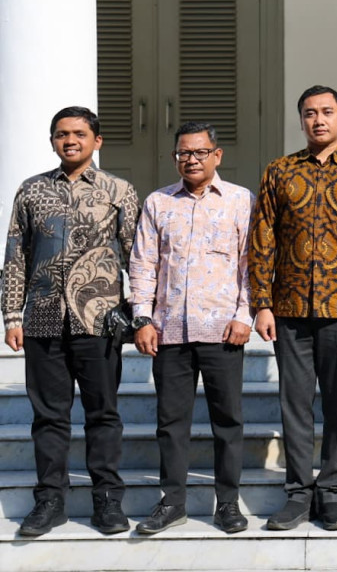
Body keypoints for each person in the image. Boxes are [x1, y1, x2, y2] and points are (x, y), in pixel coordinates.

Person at [249, 85, 337, 531]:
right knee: (294, 404)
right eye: (310, 113)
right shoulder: (279, 172)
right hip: (289, 308)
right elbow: (262, 240)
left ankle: (331, 493)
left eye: (327, 112)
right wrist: (261, 303)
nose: (319, 120)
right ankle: (296, 493)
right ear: (301, 120)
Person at [2, 106, 139, 536]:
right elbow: (15, 256)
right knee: (48, 417)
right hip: (42, 320)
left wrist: (139, 313)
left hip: (99, 322)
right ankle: (50, 502)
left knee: (103, 414)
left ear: (97, 141)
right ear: (52, 141)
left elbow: (139, 256)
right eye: (61, 134)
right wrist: (11, 314)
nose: (70, 140)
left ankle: (108, 503)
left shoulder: (120, 191)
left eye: (79, 133)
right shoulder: (31, 191)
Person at [127, 122, 254, 535]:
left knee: (228, 420)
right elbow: (143, 264)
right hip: (169, 333)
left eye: (200, 152)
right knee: (171, 422)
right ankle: (173, 502)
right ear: (174, 158)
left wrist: (244, 314)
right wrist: (142, 318)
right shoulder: (159, 203)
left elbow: (251, 264)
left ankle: (228, 503)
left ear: (217, 155)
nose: (192, 160)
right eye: (184, 153)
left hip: (222, 330)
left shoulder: (239, 200)